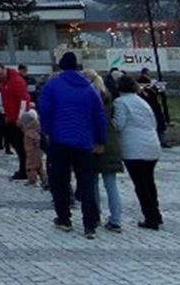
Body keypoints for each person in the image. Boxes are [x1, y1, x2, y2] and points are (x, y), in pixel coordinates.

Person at [38, 52, 106, 238]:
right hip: (84, 142)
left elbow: (44, 109)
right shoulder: (89, 88)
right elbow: (99, 115)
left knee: (59, 181)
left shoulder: (53, 85)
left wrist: (47, 131)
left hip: (59, 140)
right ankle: (90, 224)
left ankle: (64, 218)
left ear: (61, 66)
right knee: (86, 183)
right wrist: (100, 140)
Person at [114, 75, 163, 230]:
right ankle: (156, 213)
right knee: (149, 181)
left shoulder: (120, 102)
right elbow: (153, 122)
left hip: (134, 147)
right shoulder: (143, 101)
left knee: (140, 184)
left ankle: (150, 217)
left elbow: (119, 125)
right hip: (152, 144)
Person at [86, 70, 124, 233]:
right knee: (111, 184)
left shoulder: (89, 100)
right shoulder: (110, 100)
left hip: (93, 143)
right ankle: (116, 219)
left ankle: (95, 215)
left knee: (93, 182)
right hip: (111, 144)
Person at [0, 63, 30, 180]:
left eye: (0, 73)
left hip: (17, 119)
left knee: (20, 145)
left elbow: (24, 100)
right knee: (14, 142)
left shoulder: (16, 81)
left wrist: (20, 118)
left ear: (5, 70)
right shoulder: (5, 83)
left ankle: (25, 169)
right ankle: (24, 168)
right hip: (10, 117)